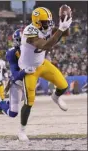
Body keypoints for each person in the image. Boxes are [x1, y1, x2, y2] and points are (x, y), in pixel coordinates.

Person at [18, 7, 72, 140]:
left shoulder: (45, 26)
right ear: (37, 22)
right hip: (29, 69)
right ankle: (21, 131)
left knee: (64, 86)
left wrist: (64, 23)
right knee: (29, 101)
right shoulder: (29, 32)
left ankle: (55, 97)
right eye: (45, 22)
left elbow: (65, 34)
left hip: (42, 64)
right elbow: (46, 45)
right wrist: (60, 29)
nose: (48, 24)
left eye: (49, 21)